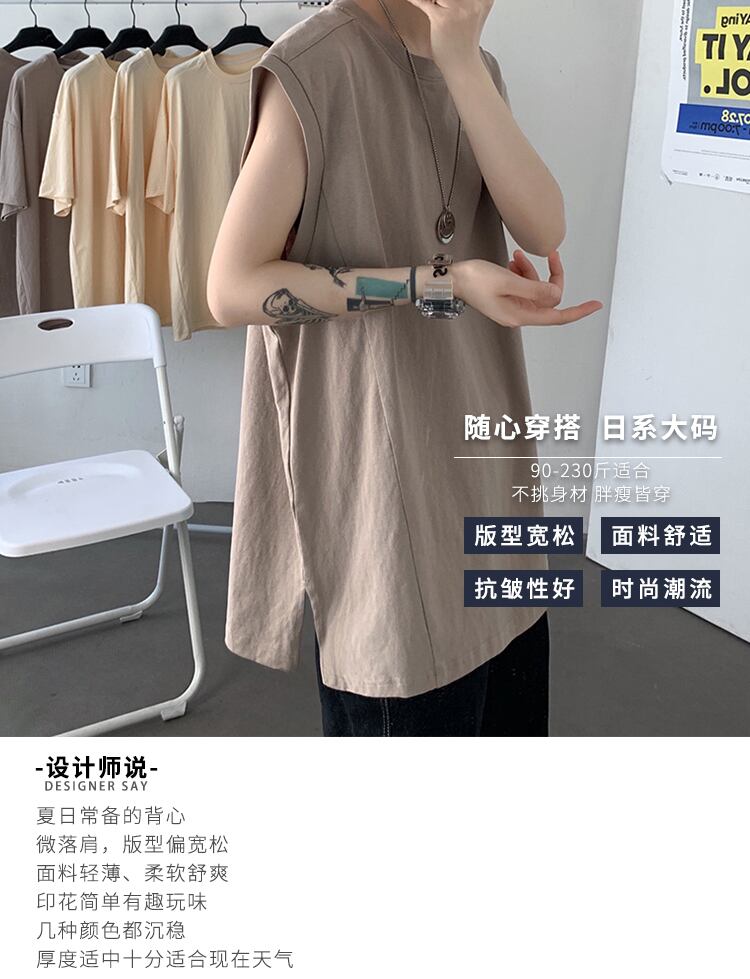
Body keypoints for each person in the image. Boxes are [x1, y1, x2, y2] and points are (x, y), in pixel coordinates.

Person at [207, 0, 602, 737]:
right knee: (408, 690)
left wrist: (461, 60)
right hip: (378, 463)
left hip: (483, 454)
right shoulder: (315, 65)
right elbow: (231, 288)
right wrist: (438, 283)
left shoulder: (477, 65)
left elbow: (543, 226)